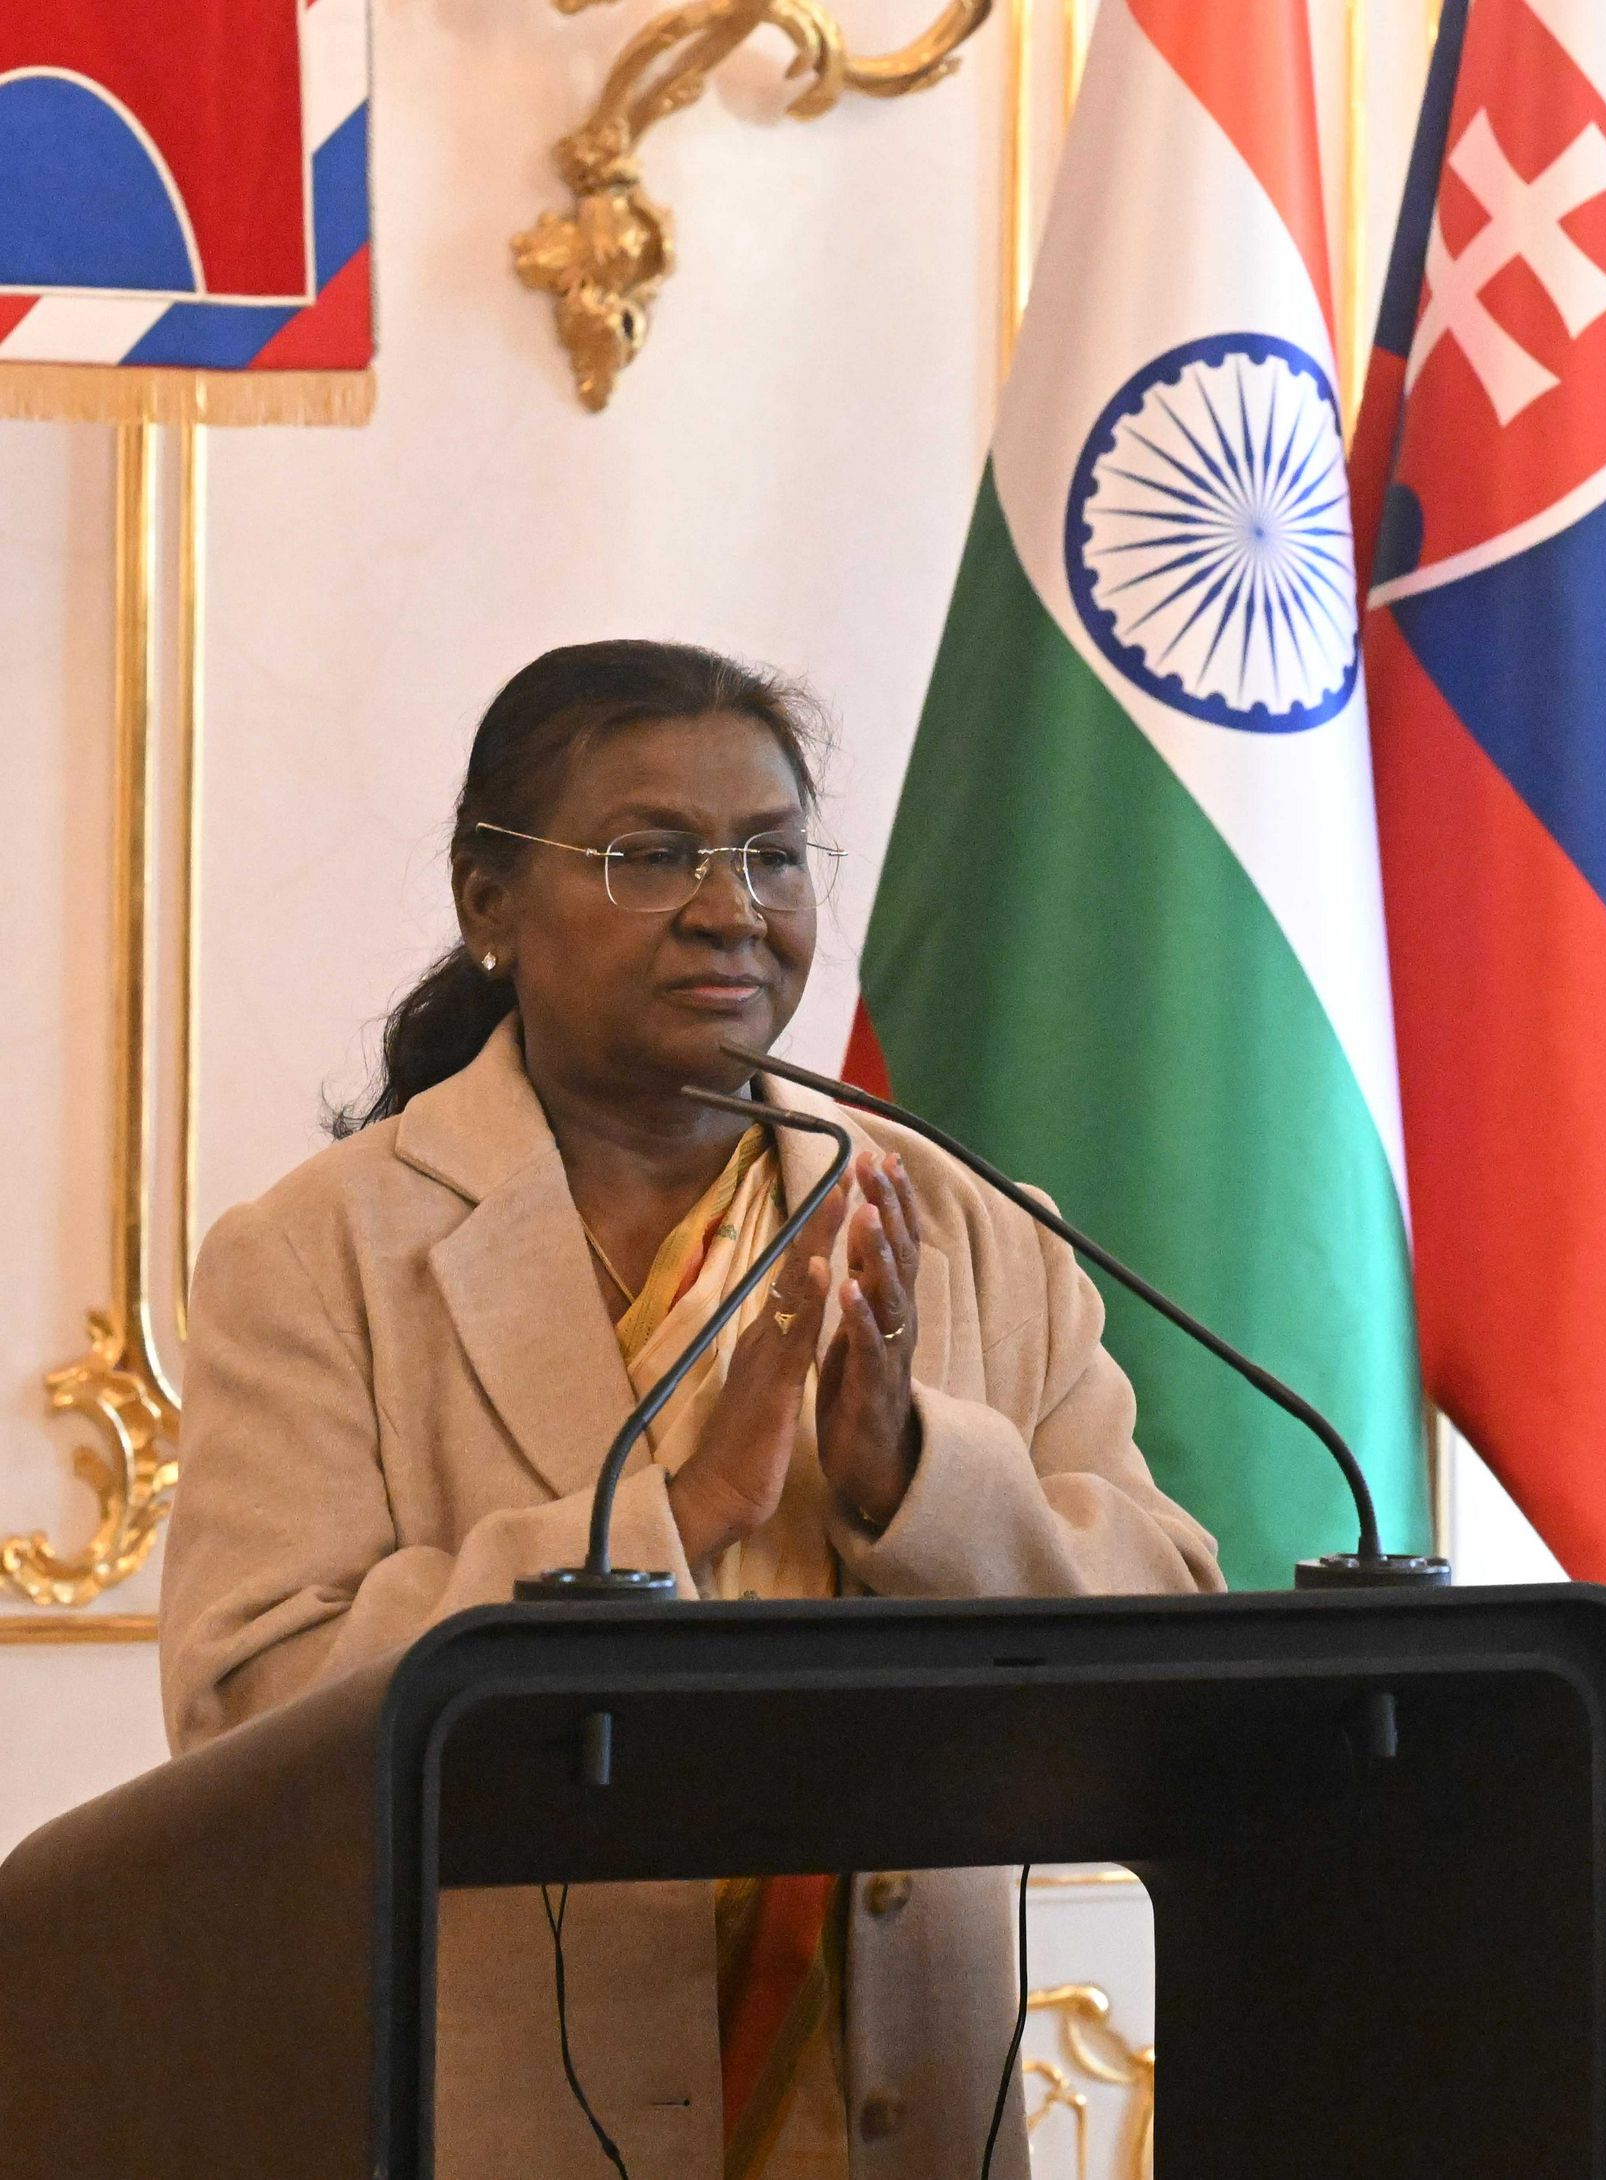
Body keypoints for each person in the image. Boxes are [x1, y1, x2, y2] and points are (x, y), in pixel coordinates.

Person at [158, 641, 1224, 2180]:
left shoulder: (969, 1224)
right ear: (488, 903)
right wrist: (672, 1519)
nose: (731, 909)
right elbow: (248, 1710)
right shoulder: (323, 1255)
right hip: (494, 2126)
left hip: (905, 2120)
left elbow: (1176, 1635)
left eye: (771, 856)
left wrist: (912, 1481)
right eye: (650, 856)